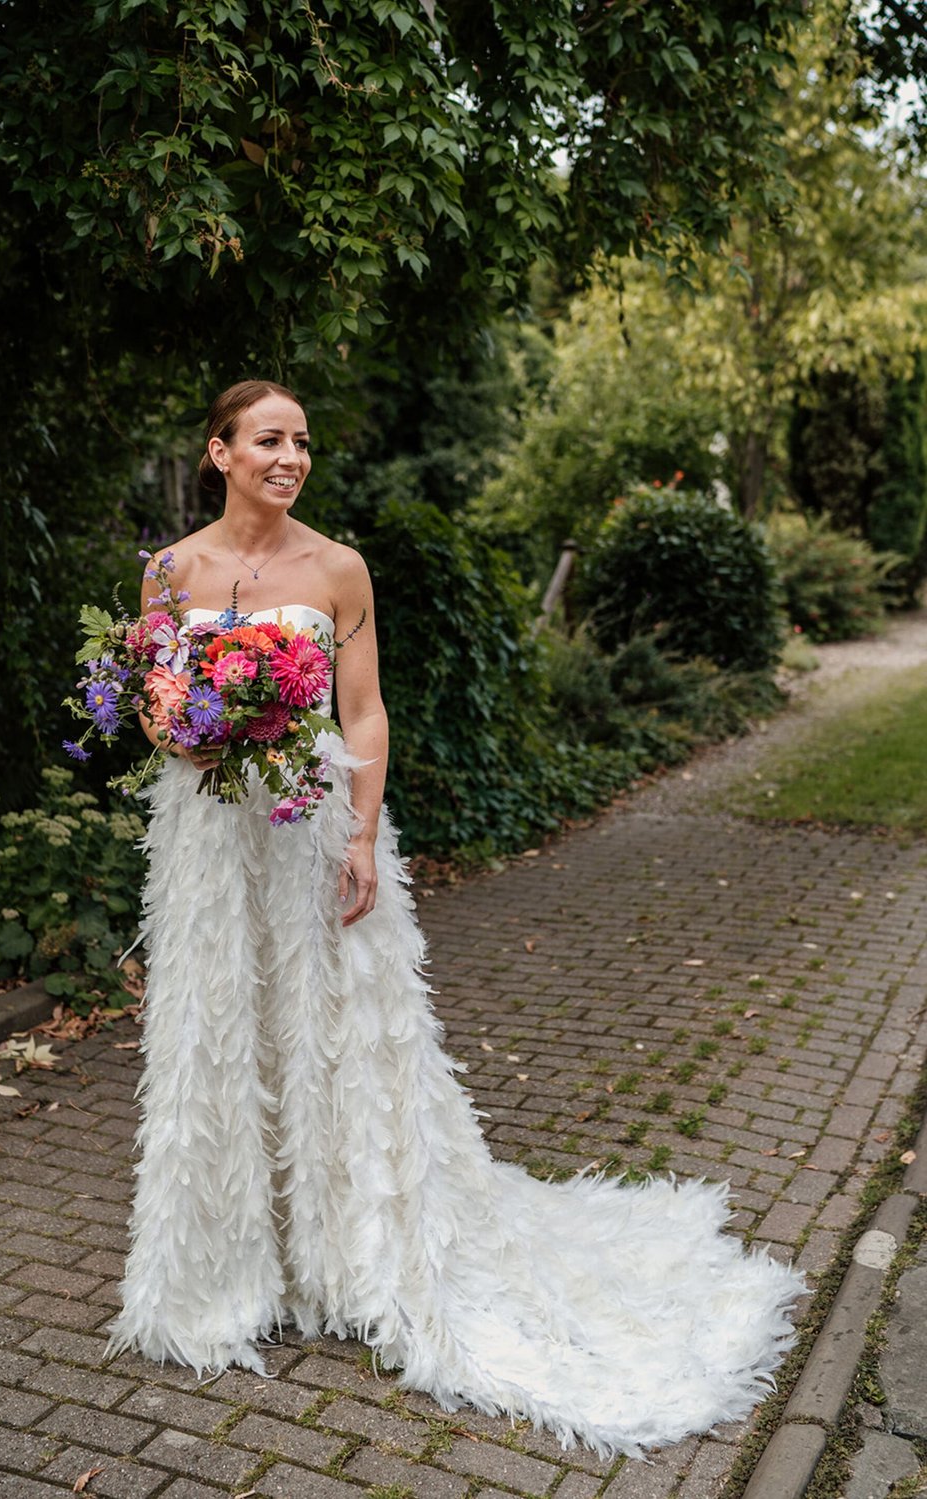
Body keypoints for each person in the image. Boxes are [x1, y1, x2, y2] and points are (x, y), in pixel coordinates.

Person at [106, 379, 805, 1457]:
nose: (291, 456)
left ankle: (347, 1253)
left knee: (333, 1030)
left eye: (302, 440)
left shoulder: (337, 568)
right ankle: (227, 1267)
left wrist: (358, 833)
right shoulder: (170, 570)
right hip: (208, 837)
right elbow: (152, 698)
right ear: (219, 450)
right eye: (268, 439)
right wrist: (187, 730)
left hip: (308, 832)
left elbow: (365, 707)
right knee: (218, 1027)